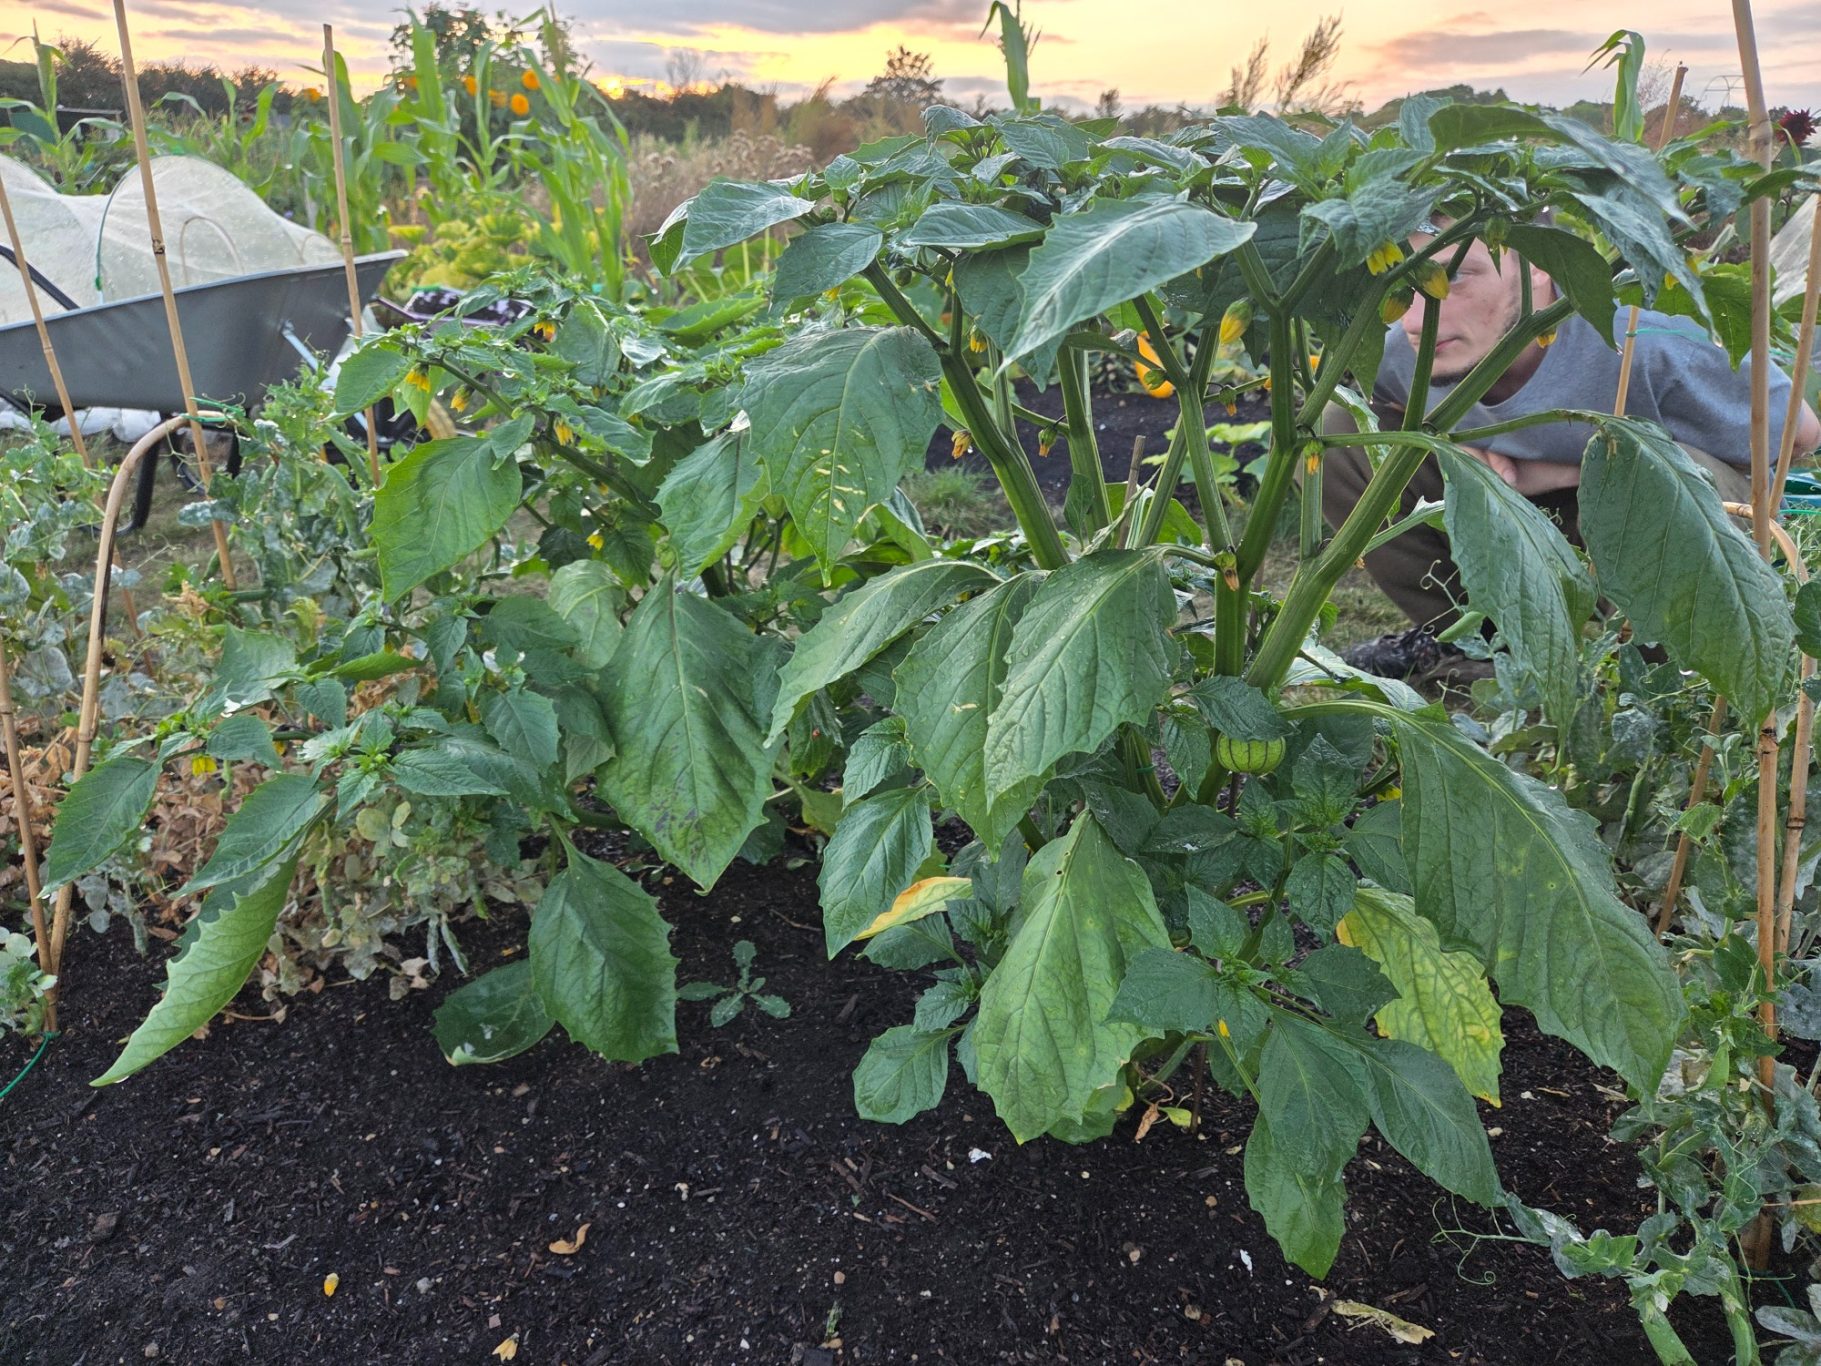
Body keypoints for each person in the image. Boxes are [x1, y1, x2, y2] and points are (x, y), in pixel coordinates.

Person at [1326, 225, 1821, 682]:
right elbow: (1385, 403)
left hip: (1645, 512)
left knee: (1657, 476)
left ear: (1539, 265)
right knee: (1339, 433)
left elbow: (1798, 433)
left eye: (1455, 277)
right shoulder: (1407, 348)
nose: (1415, 316)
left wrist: (1564, 470)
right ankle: (1483, 651)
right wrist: (1462, 449)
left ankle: (1658, 679)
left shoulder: (1645, 346)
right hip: (1515, 507)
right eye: (1401, 283)